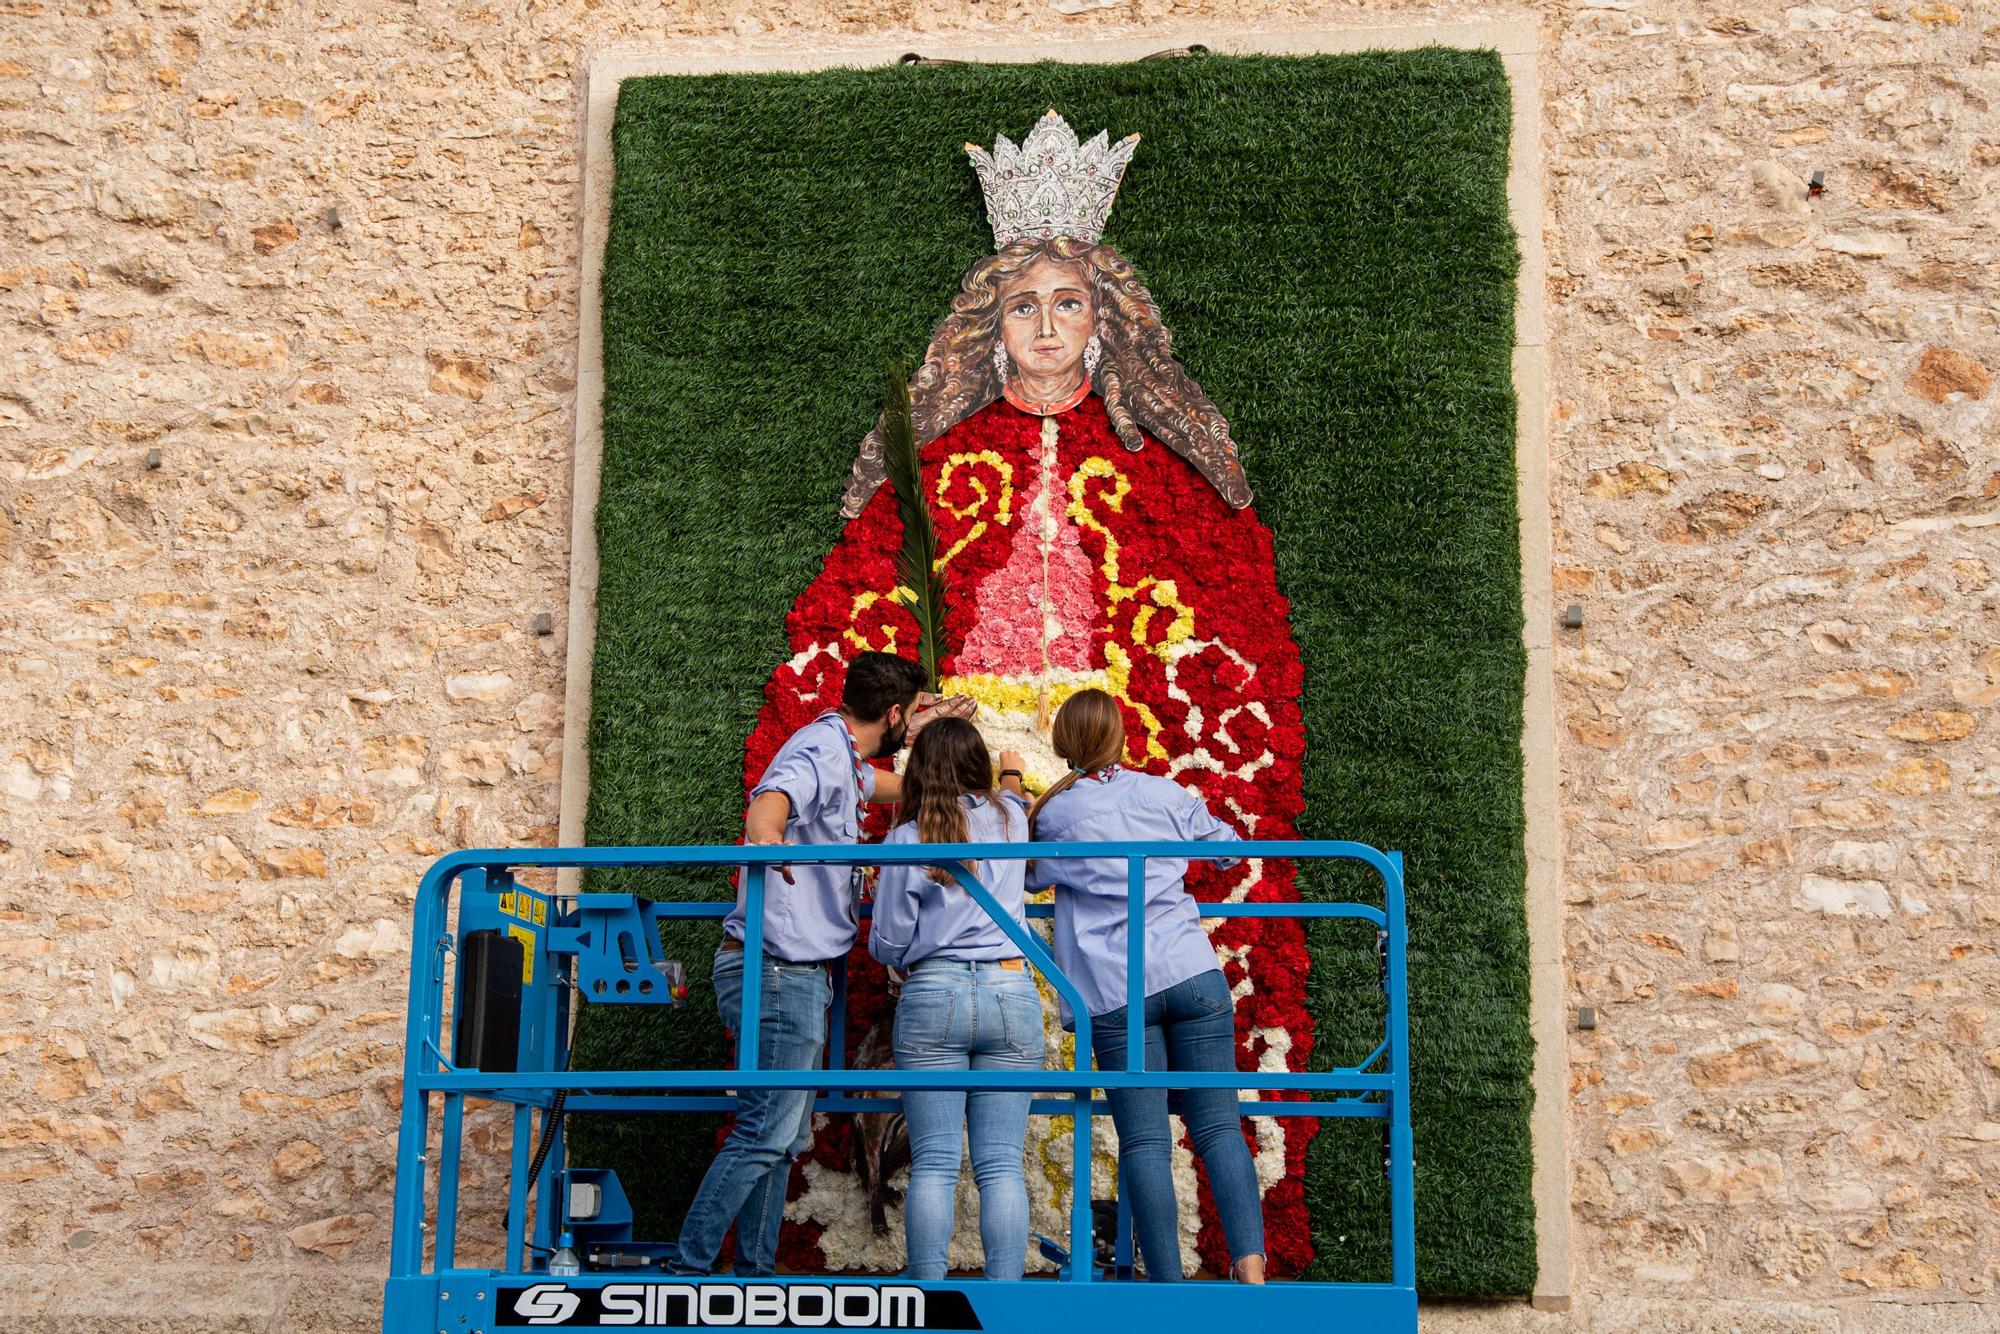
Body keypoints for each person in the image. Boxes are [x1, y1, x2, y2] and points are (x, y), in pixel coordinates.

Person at [667, 651, 966, 1277]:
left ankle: (755, 1270)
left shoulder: (844, 755)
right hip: (775, 969)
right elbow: (771, 797)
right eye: (910, 713)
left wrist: (943, 750)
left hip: (790, 972)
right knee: (767, 1131)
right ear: (890, 712)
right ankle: (689, 1266)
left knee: (782, 1138)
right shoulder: (821, 750)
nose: (911, 721)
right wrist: (767, 841)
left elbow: (895, 787)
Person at [1027, 688, 1265, 1284]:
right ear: (1120, 737)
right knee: (1217, 1126)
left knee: (1144, 1142)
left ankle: (1166, 1285)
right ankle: (1254, 1272)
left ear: (1063, 744)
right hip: (1190, 969)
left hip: (1115, 990)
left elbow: (1024, 876)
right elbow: (1231, 853)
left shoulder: (1054, 816)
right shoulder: (1164, 792)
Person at [867, 718, 1041, 1280]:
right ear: (978, 764)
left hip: (933, 992)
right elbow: (1011, 797)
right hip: (1011, 991)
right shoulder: (1014, 819)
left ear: (919, 772)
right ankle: (1006, 1301)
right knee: (1000, 1166)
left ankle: (929, 1296)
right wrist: (1011, 773)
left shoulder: (907, 838)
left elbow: (889, 942)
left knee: (936, 1164)